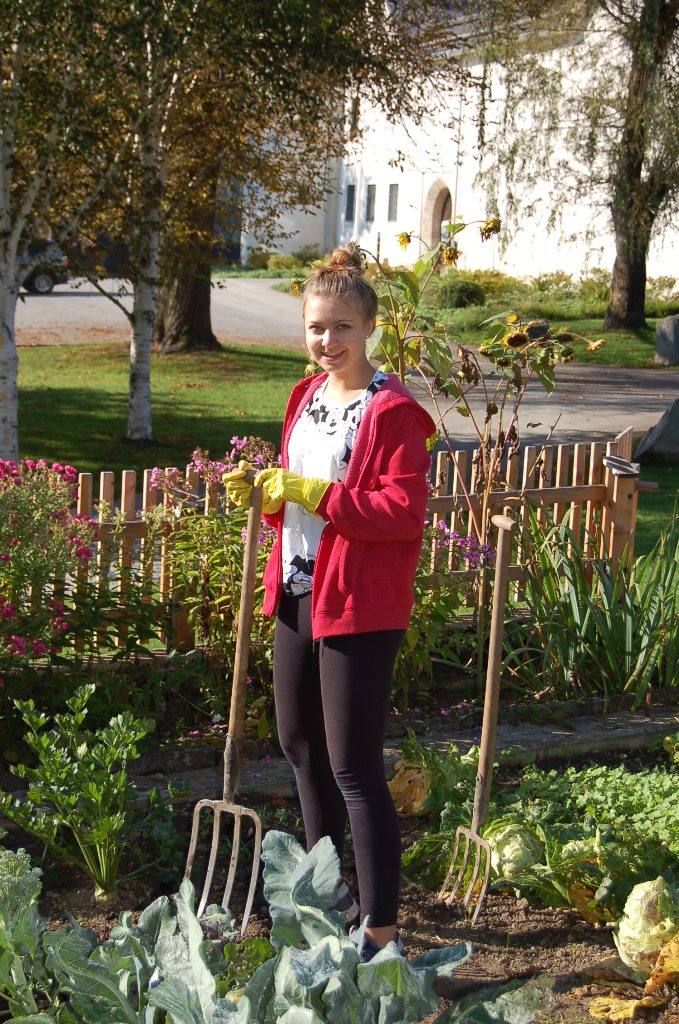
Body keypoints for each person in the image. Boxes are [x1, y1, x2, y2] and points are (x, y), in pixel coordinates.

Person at [224, 244, 435, 961]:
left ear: (368, 327)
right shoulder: (306, 397)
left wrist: (317, 494)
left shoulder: (392, 410)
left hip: (358, 603)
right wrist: (268, 492)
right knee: (300, 745)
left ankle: (379, 931)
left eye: (341, 327)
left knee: (352, 766)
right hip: (296, 588)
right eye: (316, 327)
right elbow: (300, 495)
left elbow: (402, 512)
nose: (327, 341)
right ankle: (325, 892)